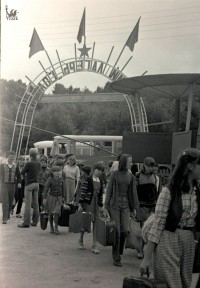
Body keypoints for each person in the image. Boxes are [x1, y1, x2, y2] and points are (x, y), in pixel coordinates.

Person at [140, 148, 200, 288]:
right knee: (171, 284)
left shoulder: (197, 191)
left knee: (185, 283)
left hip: (189, 241)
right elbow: (158, 224)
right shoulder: (169, 191)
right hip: (168, 239)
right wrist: (147, 258)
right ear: (190, 166)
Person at [104, 154, 138, 267]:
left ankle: (119, 249)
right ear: (124, 163)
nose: (132, 163)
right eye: (130, 161)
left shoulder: (131, 176)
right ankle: (116, 256)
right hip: (114, 204)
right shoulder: (115, 174)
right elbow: (109, 190)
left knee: (125, 230)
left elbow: (133, 193)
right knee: (117, 231)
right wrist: (105, 205)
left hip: (126, 205)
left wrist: (133, 209)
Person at [135, 156, 160, 259]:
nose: (150, 168)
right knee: (143, 228)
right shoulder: (138, 176)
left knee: (151, 229)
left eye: (152, 166)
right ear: (144, 165)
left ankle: (146, 249)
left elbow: (158, 192)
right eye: (148, 166)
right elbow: (135, 191)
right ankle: (140, 250)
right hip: (142, 205)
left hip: (152, 206)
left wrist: (157, 205)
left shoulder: (156, 177)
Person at [78, 163, 104, 254]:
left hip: (96, 204)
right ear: (94, 169)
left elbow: (101, 194)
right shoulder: (88, 180)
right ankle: (81, 240)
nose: (100, 172)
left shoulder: (101, 181)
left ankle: (94, 245)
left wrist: (101, 205)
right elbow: (83, 191)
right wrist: (80, 204)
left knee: (96, 224)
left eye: (101, 171)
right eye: (99, 170)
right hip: (88, 203)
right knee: (86, 223)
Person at [18, 148, 41, 228]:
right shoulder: (39, 163)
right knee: (36, 203)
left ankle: (26, 222)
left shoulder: (29, 163)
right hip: (36, 183)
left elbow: (22, 172)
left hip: (29, 184)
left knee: (27, 204)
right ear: (36, 154)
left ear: (30, 154)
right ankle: (35, 221)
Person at [0, 151, 21, 224]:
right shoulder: (2, 165)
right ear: (7, 157)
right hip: (4, 185)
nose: (12, 159)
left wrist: (19, 182)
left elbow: (19, 176)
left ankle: (7, 215)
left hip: (12, 185)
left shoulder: (16, 166)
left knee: (10, 201)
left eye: (13, 157)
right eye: (10, 157)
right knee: (5, 201)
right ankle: (4, 218)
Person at [43, 166, 64, 235]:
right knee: (51, 213)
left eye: (58, 171)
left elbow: (63, 189)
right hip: (51, 197)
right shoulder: (50, 180)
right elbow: (46, 189)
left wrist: (64, 197)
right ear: (52, 173)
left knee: (57, 212)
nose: (57, 173)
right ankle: (51, 227)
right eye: (55, 172)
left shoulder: (61, 179)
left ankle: (56, 228)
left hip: (59, 198)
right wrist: (44, 198)